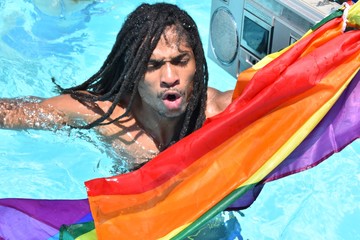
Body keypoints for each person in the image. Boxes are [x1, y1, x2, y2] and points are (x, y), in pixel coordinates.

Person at [0, 3, 233, 171]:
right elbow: (22, 112)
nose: (170, 77)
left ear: (197, 63)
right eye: (152, 65)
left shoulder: (220, 112)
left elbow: (268, 96)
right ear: (132, 74)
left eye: (181, 61)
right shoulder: (106, 115)